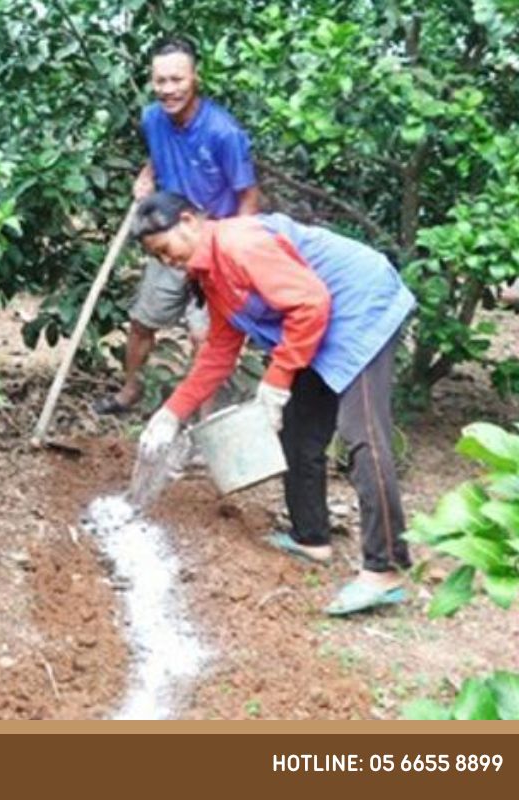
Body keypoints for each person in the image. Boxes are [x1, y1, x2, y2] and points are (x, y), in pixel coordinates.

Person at [133, 192, 416, 616]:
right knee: (300, 432)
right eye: (157, 257)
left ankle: (386, 567)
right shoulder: (212, 275)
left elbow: (310, 302)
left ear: (189, 221)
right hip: (316, 327)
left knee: (364, 437)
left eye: (165, 249)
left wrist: (277, 379)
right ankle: (311, 537)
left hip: (359, 309)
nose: (168, 261)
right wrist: (170, 413)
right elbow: (218, 353)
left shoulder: (239, 245)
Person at [95, 37, 260, 416]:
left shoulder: (224, 132)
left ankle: (203, 419)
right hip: (168, 239)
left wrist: (236, 251)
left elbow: (249, 196)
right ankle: (130, 390)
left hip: (210, 245)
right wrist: (147, 174)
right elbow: (160, 154)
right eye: (160, 81)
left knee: (206, 336)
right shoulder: (152, 117)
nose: (168, 90)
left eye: (177, 80)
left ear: (195, 78)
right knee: (141, 322)